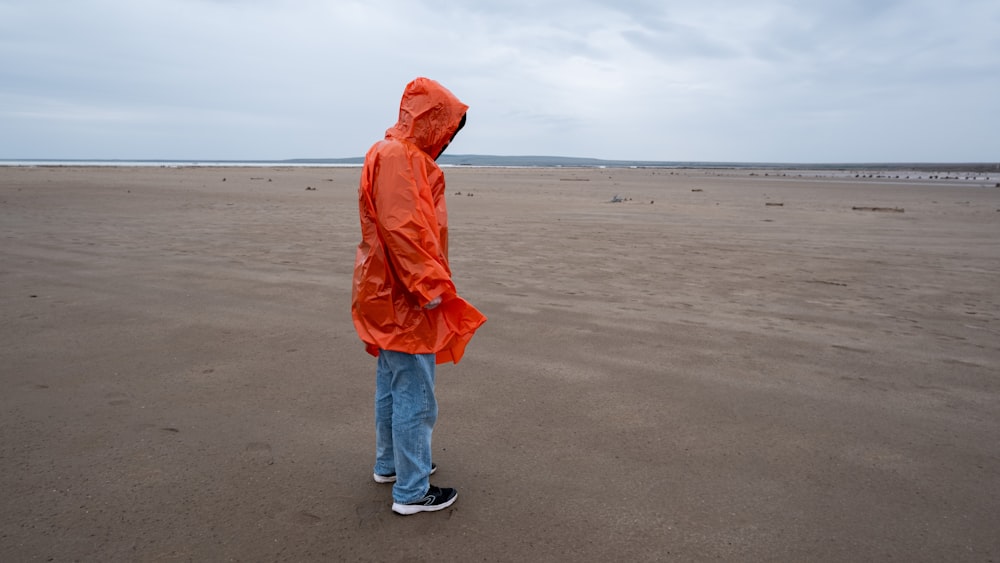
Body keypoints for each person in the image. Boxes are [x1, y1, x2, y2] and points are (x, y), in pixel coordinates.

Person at [351, 77, 487, 515]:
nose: (448, 137)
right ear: (432, 122)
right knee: (415, 392)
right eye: (448, 127)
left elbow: (401, 226)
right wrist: (429, 285)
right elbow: (401, 227)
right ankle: (411, 491)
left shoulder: (393, 153)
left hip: (387, 290)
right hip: (404, 296)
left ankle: (392, 465)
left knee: (393, 385)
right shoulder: (397, 157)